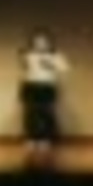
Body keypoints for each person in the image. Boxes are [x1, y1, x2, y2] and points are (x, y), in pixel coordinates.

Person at [19, 29, 69, 158]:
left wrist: (50, 62)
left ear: (49, 43)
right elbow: (24, 66)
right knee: (30, 113)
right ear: (33, 43)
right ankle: (31, 139)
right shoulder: (28, 54)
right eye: (37, 41)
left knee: (46, 113)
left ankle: (45, 139)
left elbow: (64, 69)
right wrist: (31, 58)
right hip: (31, 85)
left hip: (47, 86)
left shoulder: (56, 55)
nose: (40, 44)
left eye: (43, 42)